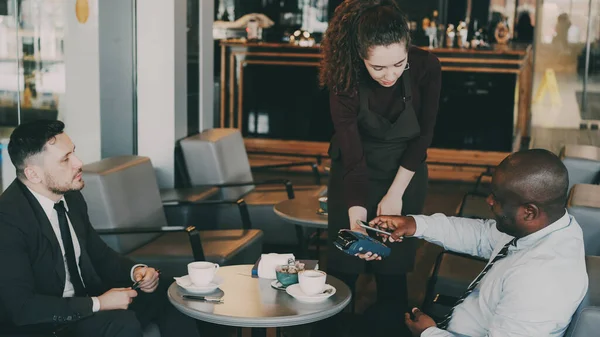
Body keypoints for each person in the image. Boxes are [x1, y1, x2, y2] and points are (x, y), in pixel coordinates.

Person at [0, 120, 199, 337]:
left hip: (86, 304)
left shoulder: (71, 198)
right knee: (121, 322)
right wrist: (98, 303)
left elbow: (99, 255)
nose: (78, 163)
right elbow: (21, 308)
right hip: (47, 325)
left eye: (73, 152)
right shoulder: (8, 220)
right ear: (33, 174)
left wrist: (137, 271)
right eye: (65, 159)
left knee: (170, 292)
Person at [367, 149, 588, 337]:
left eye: (498, 199)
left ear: (529, 212)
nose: (489, 201)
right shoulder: (550, 225)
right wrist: (414, 224)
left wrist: (430, 333)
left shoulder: (540, 281)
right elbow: (482, 236)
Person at [319, 0, 441, 334]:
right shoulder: (344, 75)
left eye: (398, 64)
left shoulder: (428, 66)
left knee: (392, 269)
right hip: (352, 170)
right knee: (343, 268)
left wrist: (395, 194)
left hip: (406, 171)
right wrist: (357, 220)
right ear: (361, 56)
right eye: (377, 68)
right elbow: (353, 156)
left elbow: (423, 136)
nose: (389, 76)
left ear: (407, 47)